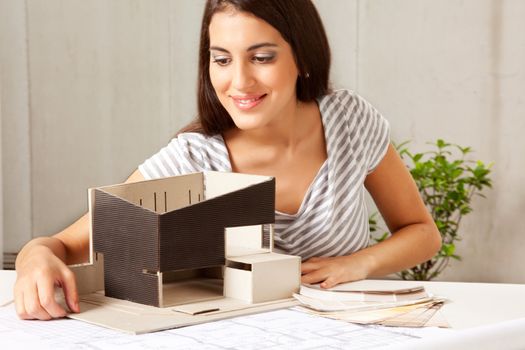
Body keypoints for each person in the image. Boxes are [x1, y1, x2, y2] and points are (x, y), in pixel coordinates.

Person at [14, 0, 442, 321]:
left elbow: (422, 232)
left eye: (262, 57)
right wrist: (33, 258)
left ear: (304, 59)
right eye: (221, 59)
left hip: (352, 330)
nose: (239, 81)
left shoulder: (349, 120)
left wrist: (355, 264)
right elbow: (64, 244)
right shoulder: (192, 157)